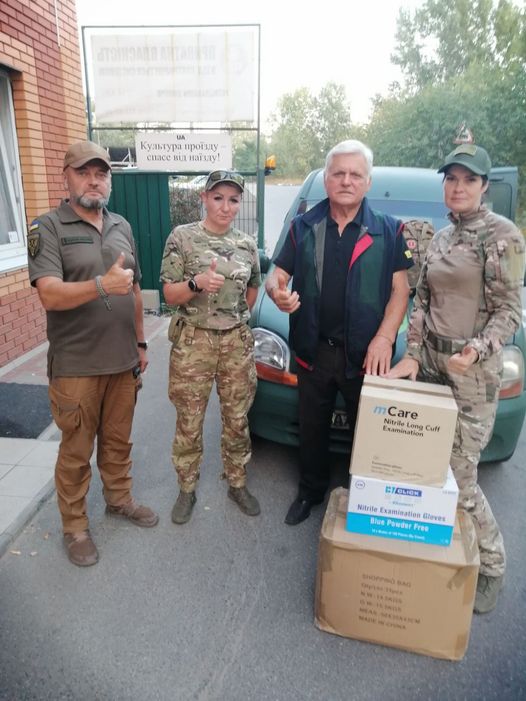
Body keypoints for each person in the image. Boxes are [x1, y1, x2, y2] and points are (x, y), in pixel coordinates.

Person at [386, 144, 525, 614]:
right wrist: (411, 355)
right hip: (430, 367)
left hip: (471, 377)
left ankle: (493, 565)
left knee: (462, 477)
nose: (458, 187)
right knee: (426, 463)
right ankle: (438, 544)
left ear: (484, 186)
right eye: (451, 179)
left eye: (468, 179)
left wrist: (477, 349)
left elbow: (510, 311)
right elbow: (422, 303)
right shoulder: (442, 238)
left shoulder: (503, 236)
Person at [265, 140, 414, 525]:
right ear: (327, 179)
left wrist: (385, 338)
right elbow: (277, 275)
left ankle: (366, 500)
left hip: (366, 356)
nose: (346, 181)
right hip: (313, 350)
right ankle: (310, 492)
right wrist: (277, 293)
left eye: (355, 174)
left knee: (369, 431)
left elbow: (400, 291)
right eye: (338, 173)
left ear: (368, 182)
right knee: (312, 428)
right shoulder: (303, 226)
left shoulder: (390, 230)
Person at [28, 140, 159, 568]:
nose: (93, 181)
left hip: (123, 362)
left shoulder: (121, 224)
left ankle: (119, 500)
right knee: (76, 451)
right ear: (65, 176)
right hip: (77, 366)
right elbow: (49, 294)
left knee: (118, 441)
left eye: (101, 173)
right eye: (84, 172)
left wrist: (141, 343)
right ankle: (75, 527)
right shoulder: (47, 227)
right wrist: (101, 285)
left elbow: (134, 289)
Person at [160, 169, 262, 524]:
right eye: (218, 198)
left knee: (237, 418)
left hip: (235, 343)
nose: (225, 206)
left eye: (233, 200)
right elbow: (170, 295)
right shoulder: (183, 237)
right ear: (204, 198)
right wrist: (197, 283)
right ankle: (186, 488)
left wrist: (233, 317)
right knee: (189, 419)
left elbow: (252, 289)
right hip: (194, 342)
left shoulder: (247, 245)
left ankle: (237, 482)